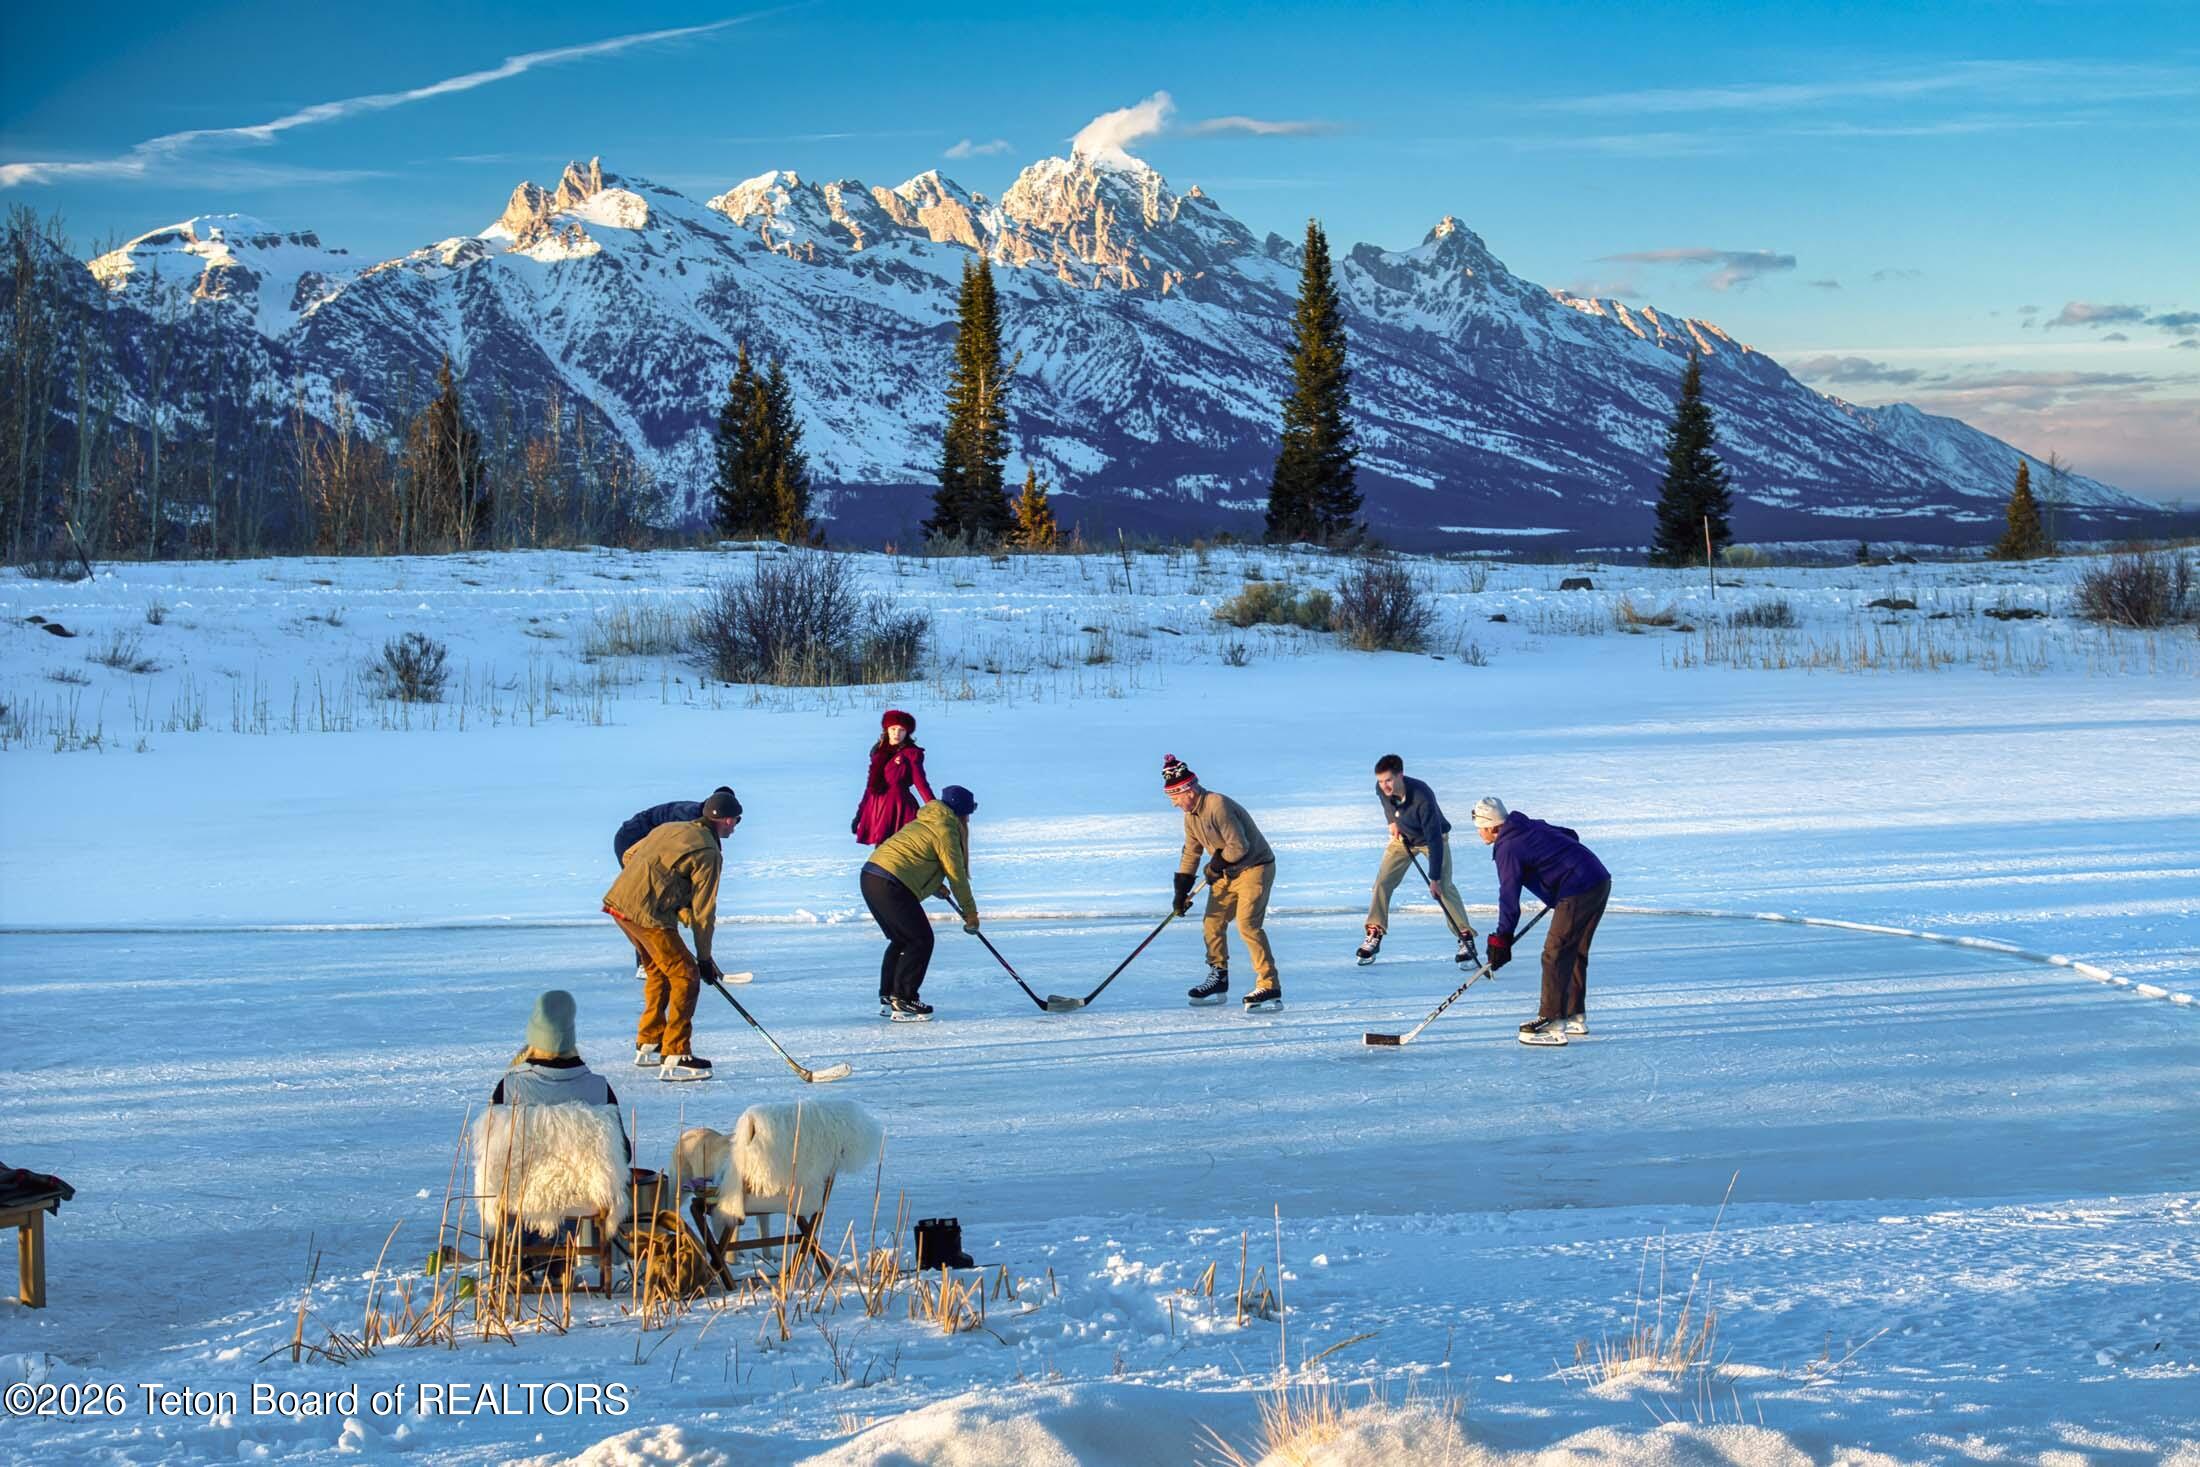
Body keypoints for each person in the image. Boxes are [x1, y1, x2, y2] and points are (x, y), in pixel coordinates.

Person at [602, 789, 740, 1080]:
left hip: (618, 905)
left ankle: (649, 1042)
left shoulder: (670, 828)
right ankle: (676, 1052)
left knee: (657, 971)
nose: (736, 826)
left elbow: (629, 854)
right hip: (647, 916)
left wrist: (662, 893)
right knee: (685, 975)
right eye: (736, 820)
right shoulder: (708, 853)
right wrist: (704, 959)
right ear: (725, 820)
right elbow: (704, 913)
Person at [1472, 797, 1612, 1047]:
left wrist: (1502, 938)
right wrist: (1558, 872)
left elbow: (1508, 895)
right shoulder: (1526, 825)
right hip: (1598, 880)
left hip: (1578, 889)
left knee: (1555, 953)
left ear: (1493, 826)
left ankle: (1552, 1021)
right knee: (1575, 949)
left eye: (1480, 827)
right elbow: (1570, 835)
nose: (1479, 832)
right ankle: (1573, 1015)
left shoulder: (1507, 847)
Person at [1164, 755, 1282, 1010]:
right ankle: (1218, 976)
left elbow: (1239, 846)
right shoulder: (1191, 816)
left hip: (1255, 867)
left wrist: (1215, 865)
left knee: (1248, 925)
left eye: (1175, 797)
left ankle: (1269, 984)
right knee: (1212, 922)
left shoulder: (1216, 805)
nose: (1174, 804)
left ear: (1189, 790)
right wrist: (1181, 891)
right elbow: (1191, 853)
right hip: (1227, 872)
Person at [861, 784, 979, 1021]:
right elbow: (956, 874)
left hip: (871, 877)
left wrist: (935, 886)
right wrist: (971, 913)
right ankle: (904, 999)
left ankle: (889, 996)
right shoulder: (946, 829)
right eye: (968, 813)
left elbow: (915, 856)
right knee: (920, 939)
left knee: (902, 939)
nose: (968, 819)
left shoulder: (927, 820)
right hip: (891, 883)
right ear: (960, 812)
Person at [1359, 754, 1478, 968]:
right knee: (1382, 882)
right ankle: (1374, 931)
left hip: (1432, 840)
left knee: (1444, 887)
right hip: (1402, 839)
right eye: (1380, 780)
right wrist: (1392, 822)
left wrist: (1434, 879)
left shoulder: (1422, 796)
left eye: (1388, 780)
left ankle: (1464, 936)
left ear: (1400, 776)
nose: (1384, 785)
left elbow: (1433, 838)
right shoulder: (1381, 789)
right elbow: (1386, 803)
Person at [491, 989, 633, 1162]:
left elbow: (492, 1158)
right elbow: (622, 1155)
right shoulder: (599, 1088)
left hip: (521, 1189)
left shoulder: (509, 1089)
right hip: (584, 1189)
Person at [613, 787, 739, 980]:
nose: (734, 825)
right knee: (646, 905)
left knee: (668, 900)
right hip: (632, 839)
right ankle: (646, 962)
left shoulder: (704, 825)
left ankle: (659, 958)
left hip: (648, 843)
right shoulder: (690, 822)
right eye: (734, 818)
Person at [852, 709, 935, 845]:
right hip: (877, 807)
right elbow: (870, 788)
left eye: (901, 730)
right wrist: (859, 815)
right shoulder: (878, 754)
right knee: (881, 852)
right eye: (893, 729)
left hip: (898, 808)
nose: (897, 733)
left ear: (907, 733)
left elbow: (921, 784)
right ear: (887, 730)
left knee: (899, 850)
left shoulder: (911, 754)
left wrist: (934, 807)